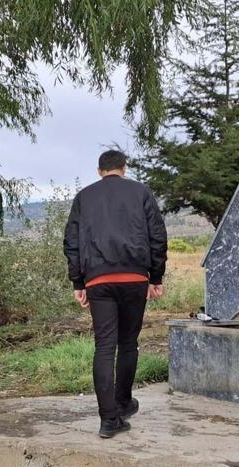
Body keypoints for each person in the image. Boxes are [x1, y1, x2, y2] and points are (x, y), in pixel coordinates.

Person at [63, 150, 167, 438]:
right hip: (135, 277)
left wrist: (78, 283)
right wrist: (156, 277)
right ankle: (123, 403)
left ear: (100, 171)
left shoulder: (84, 197)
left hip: (98, 281)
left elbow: (72, 242)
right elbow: (158, 235)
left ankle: (108, 420)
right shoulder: (141, 192)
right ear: (124, 167)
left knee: (104, 347)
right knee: (128, 343)